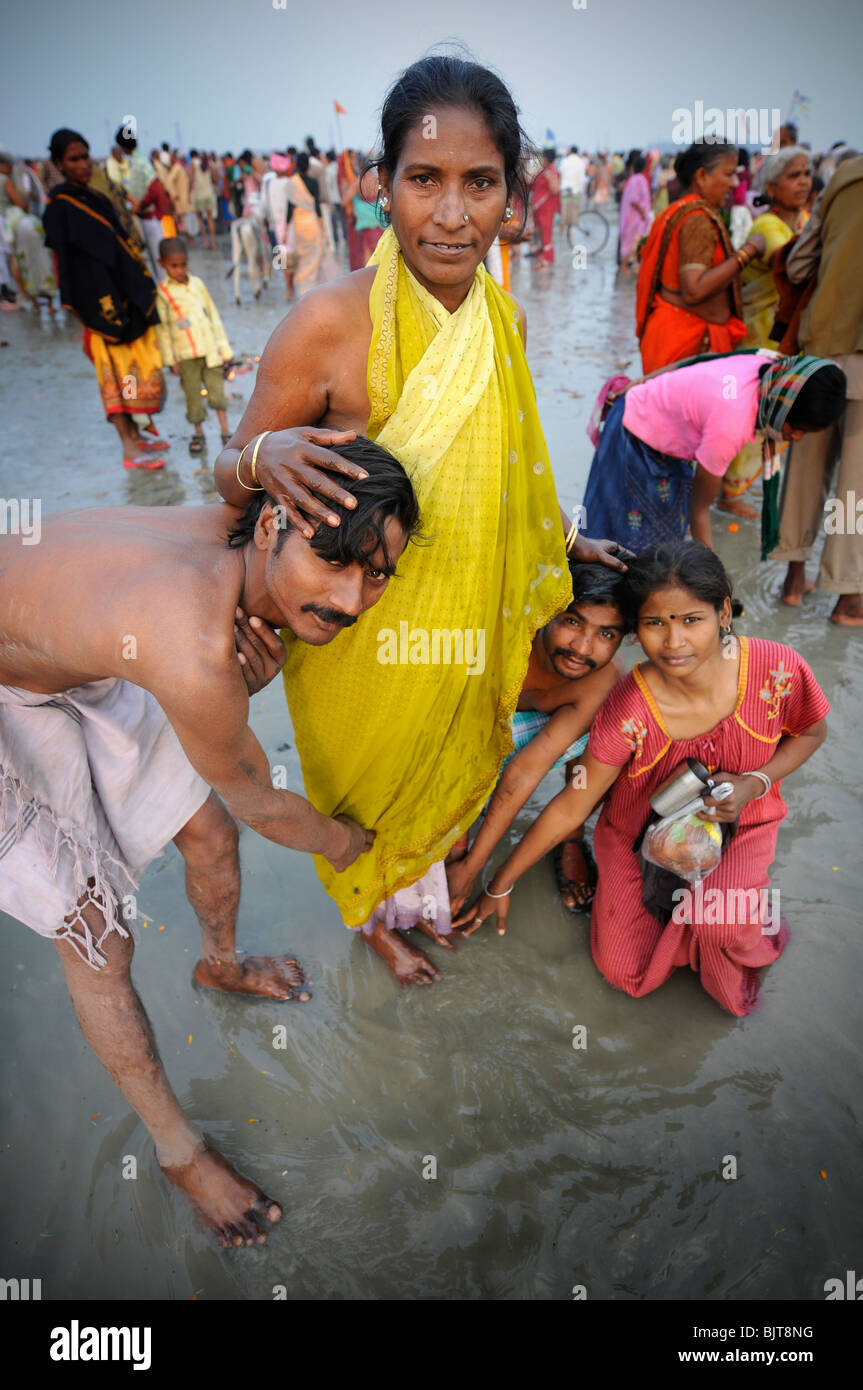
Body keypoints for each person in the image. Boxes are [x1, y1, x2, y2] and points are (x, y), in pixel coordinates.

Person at [212, 53, 625, 987]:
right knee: (364, 794)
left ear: (513, 196)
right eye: (424, 180)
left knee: (449, 771)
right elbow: (228, 484)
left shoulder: (505, 322)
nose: (451, 214)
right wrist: (261, 459)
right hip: (354, 635)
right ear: (381, 186)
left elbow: (508, 473)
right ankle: (370, 916)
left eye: (479, 183)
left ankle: (423, 890)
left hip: (465, 622)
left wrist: (566, 542)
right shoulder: (326, 322)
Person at [0, 439, 419, 1246]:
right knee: (97, 938)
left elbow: (238, 473)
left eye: (376, 574)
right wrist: (350, 842)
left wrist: (229, 691)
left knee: (206, 830)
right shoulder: (193, 651)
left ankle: (218, 964)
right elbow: (263, 803)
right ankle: (177, 1152)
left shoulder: (242, 518)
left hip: (59, 647)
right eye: (333, 560)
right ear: (267, 528)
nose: (351, 599)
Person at [456, 541, 830, 1019]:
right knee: (624, 973)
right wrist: (499, 883)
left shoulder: (777, 669)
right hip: (638, 838)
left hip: (742, 827)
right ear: (636, 630)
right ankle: (693, 914)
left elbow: (812, 731)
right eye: (656, 623)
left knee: (721, 925)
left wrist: (755, 782)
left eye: (691, 620)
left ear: (723, 613)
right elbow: (574, 803)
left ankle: (728, 912)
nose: (674, 642)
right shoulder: (628, 706)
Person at [446, 560, 628, 917]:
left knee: (610, 721)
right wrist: (458, 838)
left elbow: (525, 771)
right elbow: (448, 734)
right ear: (547, 611)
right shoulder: (503, 634)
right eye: (572, 622)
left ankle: (570, 836)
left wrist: (473, 869)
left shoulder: (602, 678)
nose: (583, 647)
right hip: (464, 731)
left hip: (532, 733)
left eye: (606, 635)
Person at [581, 352, 846, 552]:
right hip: (634, 432)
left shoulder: (769, 365)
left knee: (662, 534)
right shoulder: (731, 425)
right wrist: (714, 581)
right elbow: (699, 509)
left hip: (663, 431)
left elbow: (697, 359)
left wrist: (643, 381)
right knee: (626, 540)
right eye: (798, 428)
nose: (796, 437)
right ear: (784, 407)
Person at [42, 128, 168, 470]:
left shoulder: (95, 197)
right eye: (74, 159)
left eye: (85, 156)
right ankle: (128, 448)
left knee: (131, 372)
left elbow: (119, 246)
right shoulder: (59, 207)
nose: (83, 164)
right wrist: (82, 308)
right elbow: (66, 266)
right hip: (95, 307)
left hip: (122, 298)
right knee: (111, 377)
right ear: (59, 163)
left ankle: (137, 436)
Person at [772, 153, 863, 624]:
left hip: (820, 347)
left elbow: (799, 263)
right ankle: (848, 598)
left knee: (804, 468)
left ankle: (793, 579)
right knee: (856, 486)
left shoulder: (845, 176)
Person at [720, 147, 812, 516]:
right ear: (771, 187)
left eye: (806, 174)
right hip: (758, 341)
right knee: (751, 416)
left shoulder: (806, 222)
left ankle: (743, 487)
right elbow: (791, 265)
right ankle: (728, 493)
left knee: (773, 416)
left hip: (786, 342)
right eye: (793, 175)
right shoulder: (768, 227)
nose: (803, 181)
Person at [636, 141, 754, 374]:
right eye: (728, 174)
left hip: (675, 337)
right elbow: (694, 289)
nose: (734, 183)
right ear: (701, 176)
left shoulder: (677, 210)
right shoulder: (697, 219)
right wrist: (747, 253)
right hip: (686, 344)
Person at [155, 237, 233, 453]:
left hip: (210, 351)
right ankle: (198, 433)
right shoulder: (163, 293)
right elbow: (163, 329)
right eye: (174, 266)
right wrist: (170, 359)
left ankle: (225, 431)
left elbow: (213, 316)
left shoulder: (197, 284)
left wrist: (224, 348)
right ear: (162, 264)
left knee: (217, 393)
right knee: (192, 396)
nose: (180, 270)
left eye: (183, 265)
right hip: (186, 356)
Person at [0, 148, 56, 310]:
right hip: (11, 221)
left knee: (11, 258)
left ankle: (25, 296)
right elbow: (19, 203)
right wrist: (25, 199)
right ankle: (37, 296)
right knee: (20, 257)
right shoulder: (5, 180)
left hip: (4, 223)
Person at [285, 151, 325, 296]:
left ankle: (301, 287)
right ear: (308, 166)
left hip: (298, 223)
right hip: (311, 221)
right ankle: (310, 287)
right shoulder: (313, 182)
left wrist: (285, 231)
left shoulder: (292, 183)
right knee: (314, 255)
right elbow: (317, 207)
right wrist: (323, 229)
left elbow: (289, 209)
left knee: (301, 255)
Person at [618, 154, 652, 269]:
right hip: (635, 217)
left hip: (631, 216)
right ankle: (625, 266)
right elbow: (635, 200)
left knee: (631, 241)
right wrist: (643, 213)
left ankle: (628, 266)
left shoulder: (632, 179)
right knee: (633, 241)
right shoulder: (640, 180)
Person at [530, 146, 560, 266]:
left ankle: (546, 259)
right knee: (539, 233)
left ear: (546, 158)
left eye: (542, 157)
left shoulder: (551, 171)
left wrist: (549, 179)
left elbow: (555, 189)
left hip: (546, 208)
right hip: (539, 208)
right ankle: (541, 257)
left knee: (546, 233)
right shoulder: (544, 170)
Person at [559, 144, 587, 246]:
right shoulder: (580, 162)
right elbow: (582, 178)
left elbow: (560, 173)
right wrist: (582, 191)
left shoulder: (565, 161)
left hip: (565, 189)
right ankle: (569, 231)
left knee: (564, 210)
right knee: (573, 212)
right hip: (575, 190)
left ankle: (562, 230)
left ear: (570, 151)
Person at [189, 149, 217, 250]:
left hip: (199, 195)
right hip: (209, 194)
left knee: (200, 219)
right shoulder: (209, 165)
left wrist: (188, 194)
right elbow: (215, 179)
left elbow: (190, 179)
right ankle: (213, 242)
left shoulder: (193, 164)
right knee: (210, 218)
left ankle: (205, 241)